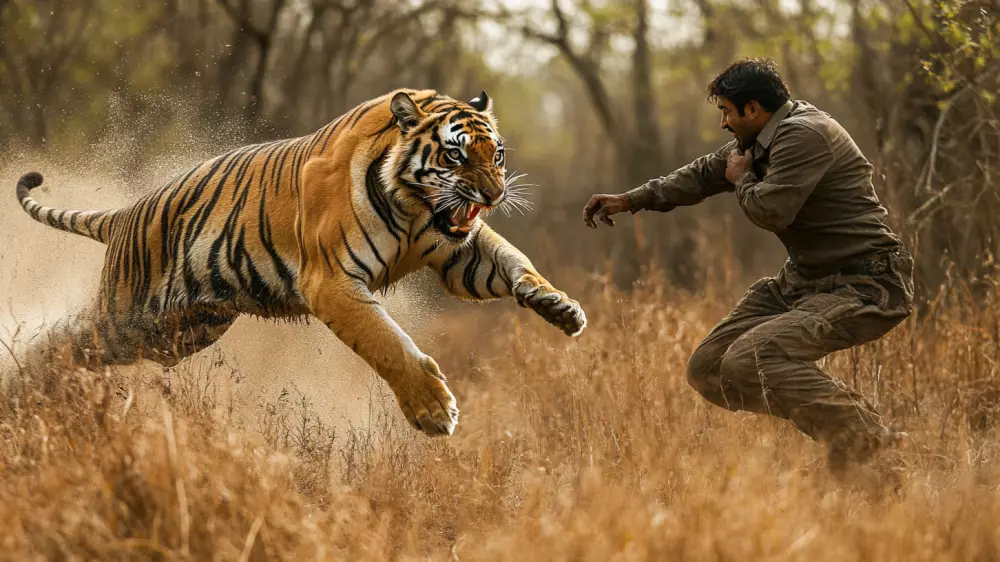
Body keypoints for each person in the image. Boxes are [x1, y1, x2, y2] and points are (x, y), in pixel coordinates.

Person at [582, 57, 914, 476]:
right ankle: (844, 430)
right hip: (805, 281)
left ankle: (869, 443)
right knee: (709, 370)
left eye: (726, 111)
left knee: (751, 359)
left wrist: (741, 181)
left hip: (865, 283)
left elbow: (772, 211)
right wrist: (630, 199)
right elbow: (705, 174)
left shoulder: (805, 136)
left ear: (752, 109)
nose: (723, 123)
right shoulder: (763, 137)